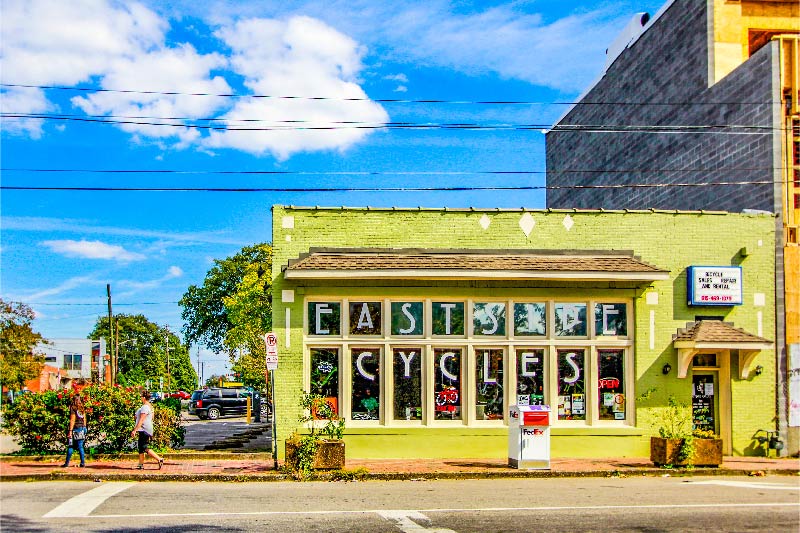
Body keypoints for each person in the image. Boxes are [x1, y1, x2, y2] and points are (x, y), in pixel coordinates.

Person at [131, 391, 164, 470]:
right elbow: (151, 418)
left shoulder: (145, 407)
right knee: (141, 447)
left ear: (144, 398)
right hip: (145, 429)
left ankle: (159, 459)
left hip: (144, 429)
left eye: (141, 396)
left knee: (144, 447)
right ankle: (140, 464)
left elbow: (142, 419)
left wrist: (135, 430)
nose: (140, 398)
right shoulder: (149, 406)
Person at [61, 393, 87, 468]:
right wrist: (84, 427)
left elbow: (72, 420)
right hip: (82, 428)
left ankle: (66, 463)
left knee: (70, 446)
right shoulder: (82, 407)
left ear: (74, 400)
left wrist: (70, 431)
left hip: (75, 429)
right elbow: (84, 418)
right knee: (81, 446)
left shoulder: (73, 408)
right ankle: (82, 463)